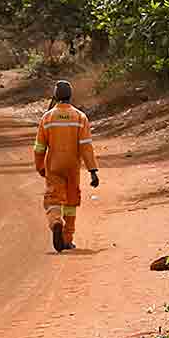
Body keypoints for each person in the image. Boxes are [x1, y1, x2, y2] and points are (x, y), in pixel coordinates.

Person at [32, 80, 99, 252]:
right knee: (70, 202)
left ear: (55, 96)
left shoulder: (47, 118)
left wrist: (40, 166)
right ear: (70, 96)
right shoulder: (79, 117)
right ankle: (67, 239)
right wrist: (92, 170)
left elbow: (39, 147)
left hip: (53, 165)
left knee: (53, 200)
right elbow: (86, 146)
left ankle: (55, 222)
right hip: (72, 166)